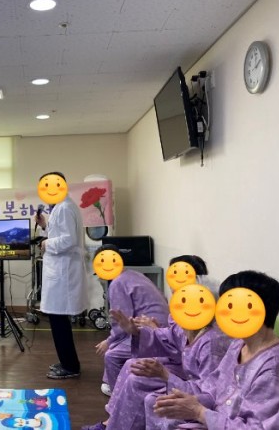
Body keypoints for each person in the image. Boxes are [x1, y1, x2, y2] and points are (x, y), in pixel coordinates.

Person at [82, 255, 231, 430]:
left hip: (192, 386)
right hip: (183, 373)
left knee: (131, 373)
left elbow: (208, 392)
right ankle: (113, 420)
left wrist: (165, 375)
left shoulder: (210, 342)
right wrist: (136, 331)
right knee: (134, 366)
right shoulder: (188, 321)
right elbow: (169, 337)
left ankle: (114, 424)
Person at [152, 270, 279, 429]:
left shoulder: (276, 368)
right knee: (158, 406)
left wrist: (198, 412)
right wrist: (187, 402)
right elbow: (212, 389)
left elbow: (254, 427)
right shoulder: (238, 345)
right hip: (216, 420)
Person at [35, 171, 90, 379]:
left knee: (59, 320)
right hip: (60, 270)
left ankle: (70, 366)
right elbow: (60, 233)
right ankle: (67, 361)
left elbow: (68, 240)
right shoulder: (61, 206)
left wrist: (46, 243)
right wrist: (44, 226)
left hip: (63, 272)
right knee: (58, 319)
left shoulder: (65, 207)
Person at [94, 245, 169, 395]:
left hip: (153, 332)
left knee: (111, 355)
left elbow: (121, 322)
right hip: (161, 327)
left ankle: (118, 397)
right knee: (116, 345)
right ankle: (112, 382)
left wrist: (108, 341)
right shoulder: (133, 274)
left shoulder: (117, 283)